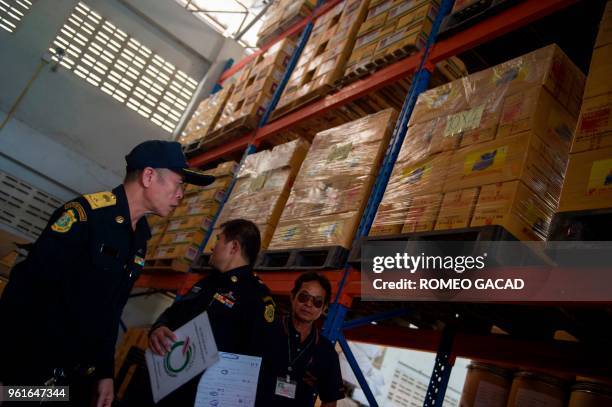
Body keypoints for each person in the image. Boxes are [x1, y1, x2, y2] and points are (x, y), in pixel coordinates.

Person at [0, 140, 214, 407]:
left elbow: (111, 311)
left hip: (75, 380)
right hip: (32, 373)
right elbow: (25, 291)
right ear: (148, 176)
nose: (181, 194)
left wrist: (105, 374)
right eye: (179, 183)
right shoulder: (85, 217)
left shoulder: (140, 238)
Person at [148, 218, 277, 405]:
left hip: (203, 398)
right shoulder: (206, 283)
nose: (212, 247)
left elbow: (257, 363)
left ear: (233, 247)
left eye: (218, 240)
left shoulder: (257, 298)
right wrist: (159, 327)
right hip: (166, 385)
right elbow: (174, 313)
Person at [256, 272, 345, 407]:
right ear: (293, 297)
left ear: (324, 308)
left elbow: (330, 400)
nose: (309, 304)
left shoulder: (326, 352)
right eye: (304, 297)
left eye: (317, 302)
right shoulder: (266, 328)